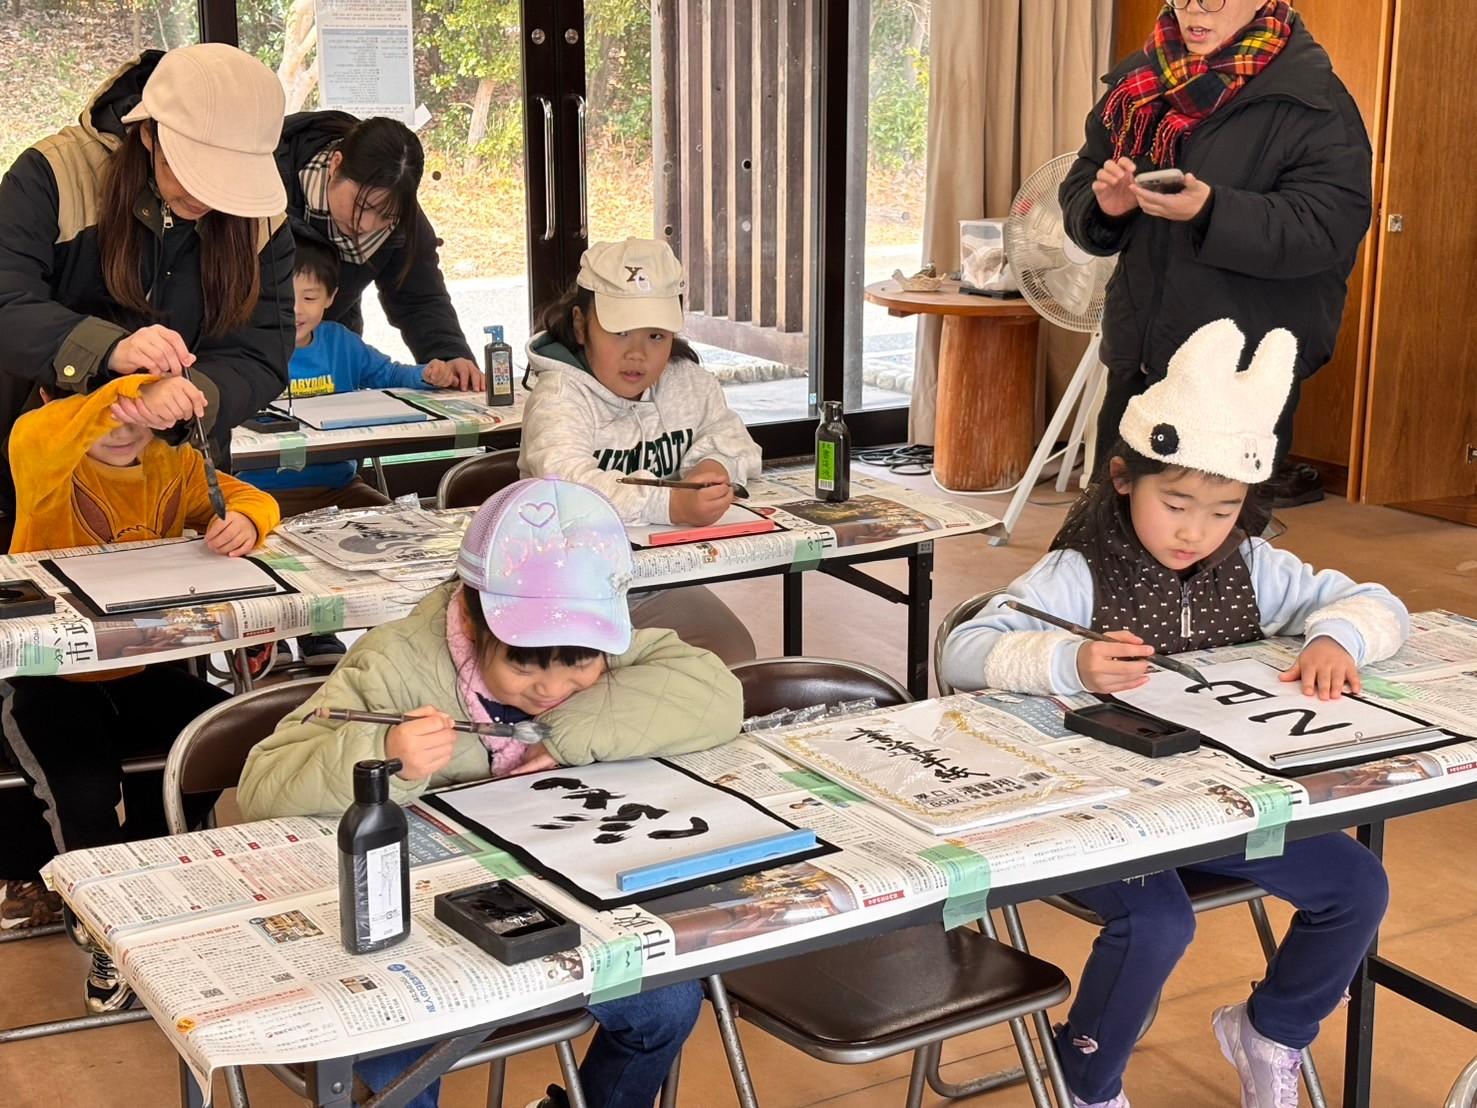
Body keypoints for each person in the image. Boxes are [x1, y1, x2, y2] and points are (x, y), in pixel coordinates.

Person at [941, 320, 1404, 1108]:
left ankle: (1271, 1031)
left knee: (1357, 885)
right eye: (1176, 502)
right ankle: (1084, 1080)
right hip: (1106, 819)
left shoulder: (1256, 566)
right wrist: (1067, 661)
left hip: (1221, 809)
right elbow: (963, 646)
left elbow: (1375, 602)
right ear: (1123, 479)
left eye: (1222, 511)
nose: (1195, 530)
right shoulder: (1076, 573)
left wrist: (1336, 637)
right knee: (1158, 926)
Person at [238, 476, 741, 1108]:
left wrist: (566, 737)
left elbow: (716, 692)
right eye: (525, 665)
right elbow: (260, 787)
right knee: (400, 1053)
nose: (551, 688)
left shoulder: (582, 631)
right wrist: (384, 757)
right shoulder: (394, 662)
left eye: (580, 666)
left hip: (560, 887)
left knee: (666, 1005)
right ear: (474, 620)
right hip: (423, 917)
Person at [0, 372, 280, 1014]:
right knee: (84, 790)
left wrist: (243, 520)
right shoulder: (46, 454)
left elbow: (248, 499)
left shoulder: (171, 461)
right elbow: (41, 431)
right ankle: (102, 914)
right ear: (60, 401)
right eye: (116, 406)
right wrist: (127, 394)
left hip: (143, 672)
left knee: (218, 735)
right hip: (46, 681)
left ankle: (149, 870)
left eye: (146, 406)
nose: (129, 425)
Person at [1059, 0, 1372, 507]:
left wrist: (1211, 210)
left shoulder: (1313, 101)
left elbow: (1326, 224)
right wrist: (1108, 208)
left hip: (1237, 374)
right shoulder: (1137, 86)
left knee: (1208, 552)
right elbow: (1082, 183)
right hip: (1138, 356)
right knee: (1106, 529)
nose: (1195, 10)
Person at [0, 44, 295, 541]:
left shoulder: (261, 223)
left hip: (175, 477)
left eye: (229, 179)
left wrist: (187, 398)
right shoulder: (55, 175)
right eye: (194, 170)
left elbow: (260, 353)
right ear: (148, 134)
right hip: (36, 475)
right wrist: (110, 350)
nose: (206, 196)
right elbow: (7, 301)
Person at [239, 228, 483, 668]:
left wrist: (429, 374)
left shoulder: (340, 343)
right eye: (284, 296)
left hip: (338, 488)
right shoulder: (242, 345)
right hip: (264, 498)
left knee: (407, 530)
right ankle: (280, 632)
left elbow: (388, 372)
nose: (297, 310)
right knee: (258, 551)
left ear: (331, 297)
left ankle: (395, 640)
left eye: (310, 297)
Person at [519, 237, 761, 663]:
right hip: (562, 585)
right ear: (580, 325)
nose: (637, 353)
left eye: (655, 335)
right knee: (595, 676)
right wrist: (670, 504)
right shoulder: (559, 395)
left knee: (732, 655)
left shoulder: (688, 382)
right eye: (618, 331)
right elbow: (564, 482)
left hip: (654, 581)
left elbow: (732, 439)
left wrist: (712, 466)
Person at [276, 112, 483, 387]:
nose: (366, 225)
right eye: (362, 206)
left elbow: (419, 299)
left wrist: (448, 354)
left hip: (327, 359)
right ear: (336, 165)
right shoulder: (270, 187)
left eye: (385, 215)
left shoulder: (400, 215)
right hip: (246, 356)